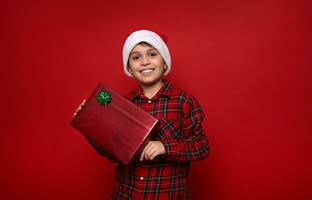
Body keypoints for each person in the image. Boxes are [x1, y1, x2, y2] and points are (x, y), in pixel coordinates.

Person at [75, 29, 209, 200]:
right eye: (136, 57)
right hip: (127, 194)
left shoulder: (184, 101)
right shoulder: (121, 105)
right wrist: (90, 123)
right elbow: (114, 153)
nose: (145, 62)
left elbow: (202, 146)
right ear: (129, 67)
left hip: (169, 195)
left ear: (165, 62)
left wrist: (164, 147)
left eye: (152, 54)